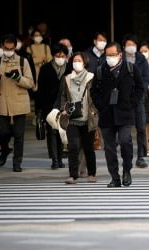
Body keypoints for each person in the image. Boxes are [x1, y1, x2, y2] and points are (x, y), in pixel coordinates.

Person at [91, 42, 144, 188]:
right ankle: (114, 177)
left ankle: (127, 170)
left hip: (125, 112)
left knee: (125, 141)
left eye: (113, 55)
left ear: (120, 55)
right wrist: (101, 105)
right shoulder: (101, 70)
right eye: (107, 55)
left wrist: (132, 103)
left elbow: (140, 87)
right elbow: (93, 91)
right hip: (107, 114)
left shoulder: (130, 68)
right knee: (109, 148)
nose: (110, 58)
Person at [0, 33, 35, 172]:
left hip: (19, 103)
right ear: (2, 47)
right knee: (2, 133)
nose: (8, 51)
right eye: (6, 48)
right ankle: (5, 150)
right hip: (2, 103)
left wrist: (18, 78)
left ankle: (17, 162)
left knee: (19, 135)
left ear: (15, 48)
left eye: (11, 49)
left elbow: (30, 83)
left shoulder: (23, 61)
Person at [59, 52, 98, 184]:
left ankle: (92, 173)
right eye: (74, 60)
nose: (76, 62)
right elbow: (63, 96)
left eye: (79, 60)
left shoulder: (91, 77)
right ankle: (73, 175)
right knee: (73, 147)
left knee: (88, 148)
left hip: (88, 118)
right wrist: (64, 108)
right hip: (72, 119)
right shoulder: (67, 78)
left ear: (85, 62)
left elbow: (97, 96)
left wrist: (96, 111)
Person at [36, 43, 69, 170]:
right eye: (58, 55)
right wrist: (39, 110)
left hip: (64, 105)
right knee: (52, 133)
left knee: (62, 131)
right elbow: (40, 91)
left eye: (63, 55)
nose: (60, 57)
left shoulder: (70, 68)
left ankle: (60, 157)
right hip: (49, 106)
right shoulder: (45, 69)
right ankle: (55, 160)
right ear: (53, 55)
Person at [122, 33, 149, 168]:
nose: (131, 47)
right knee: (124, 129)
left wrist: (138, 94)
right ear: (124, 46)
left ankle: (141, 156)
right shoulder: (119, 58)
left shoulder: (141, 59)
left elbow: (146, 79)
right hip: (123, 99)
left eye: (133, 44)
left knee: (141, 128)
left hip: (138, 99)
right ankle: (126, 156)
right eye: (128, 44)